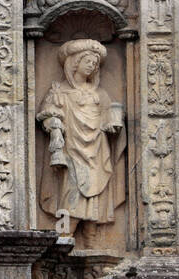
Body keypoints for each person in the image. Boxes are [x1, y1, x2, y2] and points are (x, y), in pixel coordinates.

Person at [37, 39, 125, 233]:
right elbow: (47, 114)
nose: (92, 66)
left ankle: (92, 238)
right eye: (88, 62)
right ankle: (65, 233)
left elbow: (108, 118)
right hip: (71, 148)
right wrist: (54, 126)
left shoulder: (100, 94)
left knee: (96, 194)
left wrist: (112, 126)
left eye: (94, 64)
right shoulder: (59, 91)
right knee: (72, 189)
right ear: (75, 62)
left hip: (97, 150)